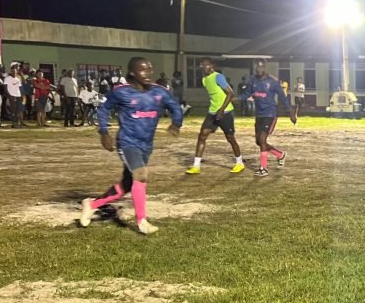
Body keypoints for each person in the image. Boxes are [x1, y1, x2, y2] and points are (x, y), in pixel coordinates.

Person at [79, 57, 183, 235]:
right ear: (132, 73)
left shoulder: (160, 92)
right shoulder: (121, 92)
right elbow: (103, 109)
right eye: (143, 70)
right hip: (127, 143)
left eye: (150, 69)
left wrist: (176, 123)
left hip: (146, 145)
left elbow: (175, 107)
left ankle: (92, 205)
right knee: (141, 175)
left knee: (127, 184)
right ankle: (142, 221)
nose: (148, 73)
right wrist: (104, 132)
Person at [186, 58, 245, 174]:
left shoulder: (218, 77)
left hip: (225, 112)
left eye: (206, 65)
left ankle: (239, 163)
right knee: (202, 136)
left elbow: (231, 93)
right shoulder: (204, 80)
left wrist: (221, 110)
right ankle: (196, 166)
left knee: (230, 138)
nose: (204, 67)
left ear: (212, 66)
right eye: (202, 65)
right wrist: (216, 110)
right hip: (212, 112)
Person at [248, 59, 296, 176]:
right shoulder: (253, 80)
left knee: (263, 139)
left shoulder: (273, 81)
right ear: (254, 67)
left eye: (261, 66)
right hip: (259, 115)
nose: (259, 69)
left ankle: (263, 168)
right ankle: (280, 155)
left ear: (264, 67)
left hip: (270, 114)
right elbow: (247, 93)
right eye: (257, 67)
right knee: (259, 142)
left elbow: (283, 97)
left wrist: (290, 112)